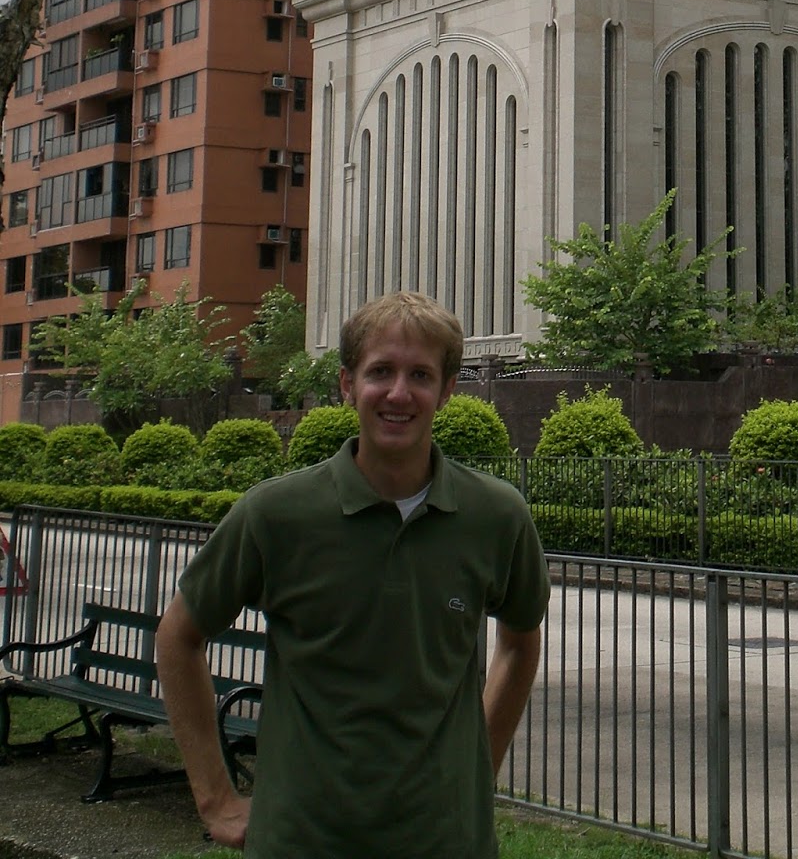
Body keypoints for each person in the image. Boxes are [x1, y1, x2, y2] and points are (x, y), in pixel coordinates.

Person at [156, 292, 549, 858]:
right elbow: (178, 636)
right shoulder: (275, 514)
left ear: (447, 389)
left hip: (447, 841)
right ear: (346, 385)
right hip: (304, 838)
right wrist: (215, 798)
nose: (398, 393)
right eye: (380, 372)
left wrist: (478, 770)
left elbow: (519, 642)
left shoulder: (496, 516)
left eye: (420, 374)